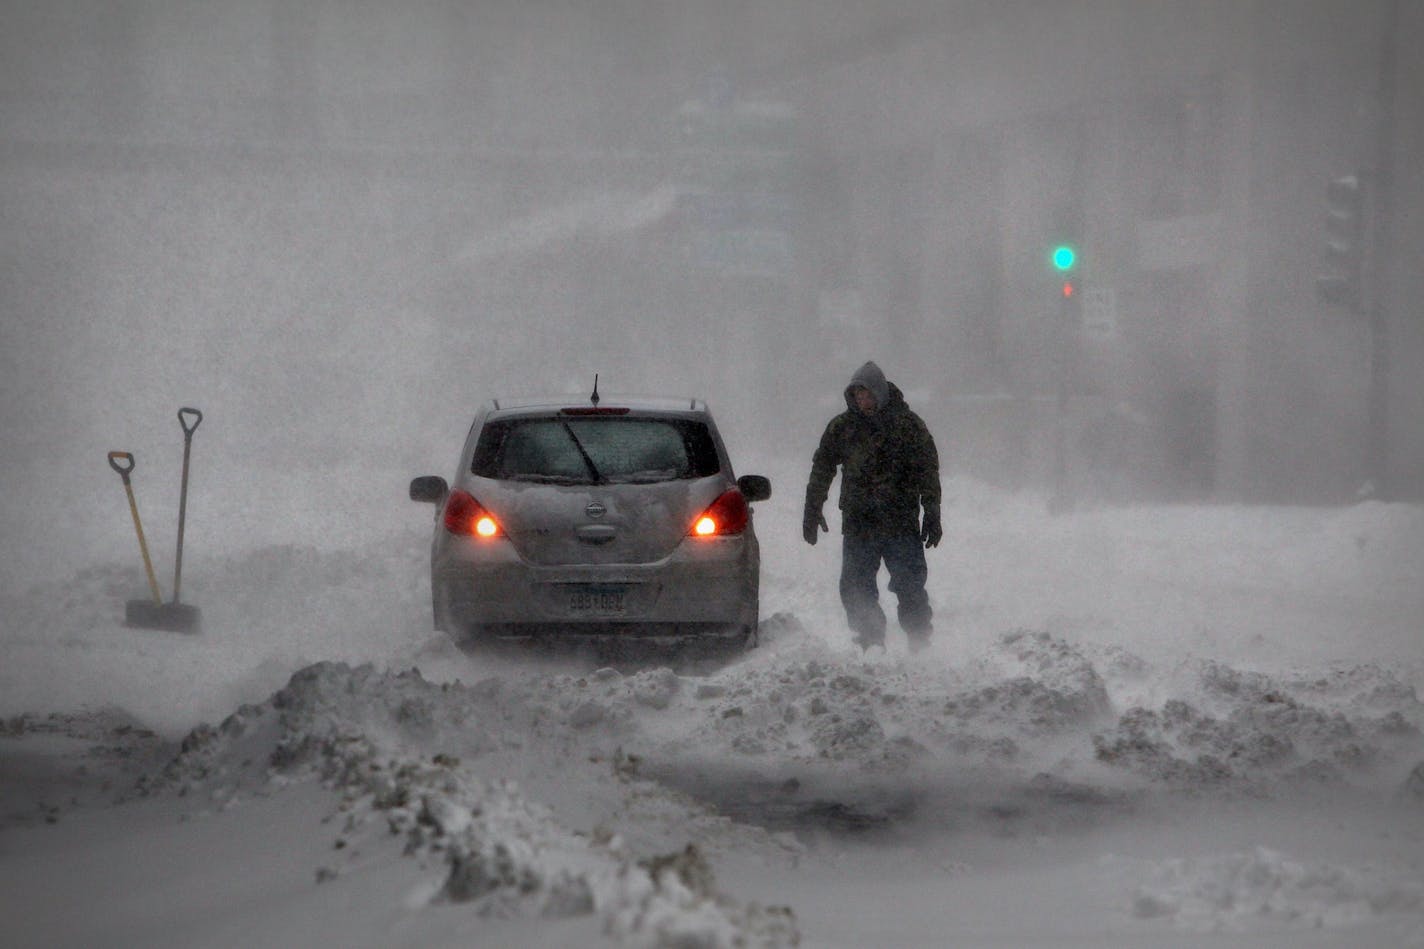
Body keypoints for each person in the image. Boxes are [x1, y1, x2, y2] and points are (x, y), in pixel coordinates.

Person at [803, 361, 941, 650]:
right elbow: (823, 466)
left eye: (868, 395)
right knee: (855, 587)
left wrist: (932, 512)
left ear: (880, 393)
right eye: (858, 396)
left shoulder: (908, 425)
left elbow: (927, 469)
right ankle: (870, 640)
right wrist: (813, 507)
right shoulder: (842, 428)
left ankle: (919, 641)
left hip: (900, 521)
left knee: (910, 585)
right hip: (859, 523)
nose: (863, 401)